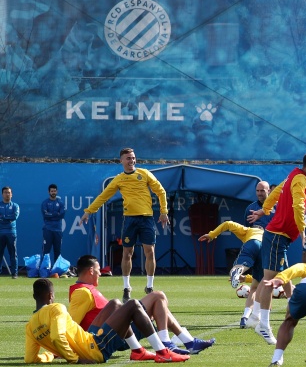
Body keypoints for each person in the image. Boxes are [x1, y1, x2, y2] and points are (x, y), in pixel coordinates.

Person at [246, 150, 306, 345]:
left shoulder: (294, 175)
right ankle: (263, 324)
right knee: (269, 280)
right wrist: (303, 230)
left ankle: (255, 316)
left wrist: (264, 210)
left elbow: (275, 192)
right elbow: (298, 206)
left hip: (278, 236)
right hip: (278, 236)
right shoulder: (300, 180)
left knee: (285, 275)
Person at [68, 255, 215, 355]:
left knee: (160, 303)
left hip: (118, 333)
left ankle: (188, 342)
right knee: (158, 296)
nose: (100, 274)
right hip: (109, 338)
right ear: (91, 271)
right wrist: (65, 351)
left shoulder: (87, 290)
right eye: (99, 271)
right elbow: (71, 324)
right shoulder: (82, 292)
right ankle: (167, 342)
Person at [25, 278, 189, 364]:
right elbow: (56, 336)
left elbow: (30, 359)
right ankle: (162, 353)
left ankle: (138, 352)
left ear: (34, 297)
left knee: (115, 304)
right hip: (94, 348)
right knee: (133, 305)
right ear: (50, 296)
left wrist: (49, 355)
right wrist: (74, 359)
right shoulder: (56, 308)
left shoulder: (30, 327)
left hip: (88, 339)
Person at [81, 148, 169, 301]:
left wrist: (163, 212)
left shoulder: (144, 174)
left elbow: (160, 191)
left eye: (133, 158)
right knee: (127, 253)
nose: (131, 161)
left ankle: (149, 286)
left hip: (147, 219)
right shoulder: (119, 179)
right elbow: (104, 196)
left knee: (150, 252)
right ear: (121, 160)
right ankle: (127, 287)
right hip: (129, 219)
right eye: (128, 158)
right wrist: (89, 211)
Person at [198, 221, 264, 328]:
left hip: (252, 243)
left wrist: (212, 235)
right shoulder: (267, 234)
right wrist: (247, 279)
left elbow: (228, 223)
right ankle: (247, 317)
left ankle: (237, 272)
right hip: (265, 249)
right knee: (256, 286)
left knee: (238, 267)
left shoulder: (247, 230)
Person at [41, 184, 66, 271]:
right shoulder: (45, 203)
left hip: (58, 230)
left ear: (57, 191)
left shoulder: (60, 203)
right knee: (46, 251)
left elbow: (62, 215)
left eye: (55, 191)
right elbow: (45, 215)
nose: (53, 192)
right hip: (48, 229)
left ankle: (56, 270)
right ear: (49, 192)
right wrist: (56, 214)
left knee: (57, 251)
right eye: (52, 191)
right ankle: (44, 270)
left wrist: (51, 214)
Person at [0, 186, 20, 279]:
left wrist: (3, 217)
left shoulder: (15, 206)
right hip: (0, 232)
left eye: (9, 192)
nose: (7, 194)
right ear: (2, 194)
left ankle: (14, 274)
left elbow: (14, 217)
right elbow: (10, 218)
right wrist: (8, 217)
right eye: (5, 192)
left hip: (11, 232)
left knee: (13, 253)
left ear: (11, 194)